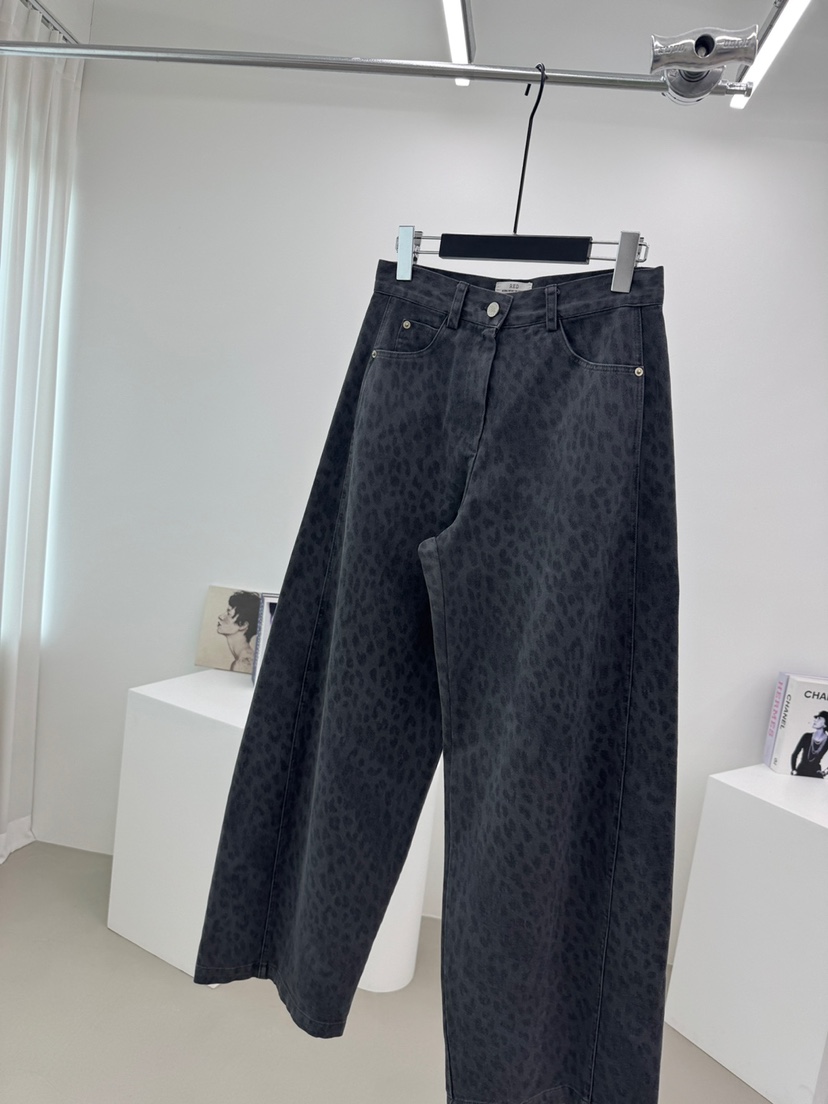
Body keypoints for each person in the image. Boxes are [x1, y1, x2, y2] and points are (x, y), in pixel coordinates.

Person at [216, 591, 259, 674]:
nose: (220, 616)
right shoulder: (244, 660)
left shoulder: (244, 663)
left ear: (243, 625)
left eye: (228, 613)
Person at [790, 710, 828, 778]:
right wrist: (793, 769)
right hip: (801, 771)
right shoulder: (807, 736)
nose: (815, 720)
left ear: (825, 724)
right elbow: (795, 754)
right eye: (816, 718)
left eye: (819, 719)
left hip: (816, 775)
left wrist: (824, 773)